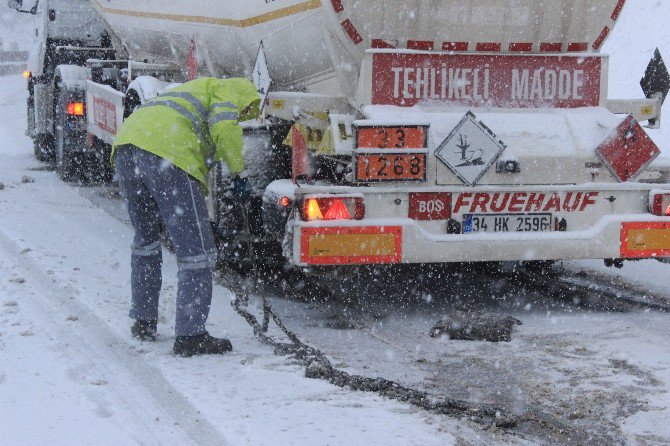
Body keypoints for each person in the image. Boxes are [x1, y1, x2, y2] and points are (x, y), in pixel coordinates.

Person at [111, 77, 260, 356]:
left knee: (146, 242)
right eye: (245, 110)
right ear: (246, 97)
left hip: (126, 146)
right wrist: (240, 172)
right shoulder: (228, 90)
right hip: (168, 153)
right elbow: (225, 129)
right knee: (197, 252)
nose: (242, 115)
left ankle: (143, 321)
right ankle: (191, 335)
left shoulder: (189, 91)